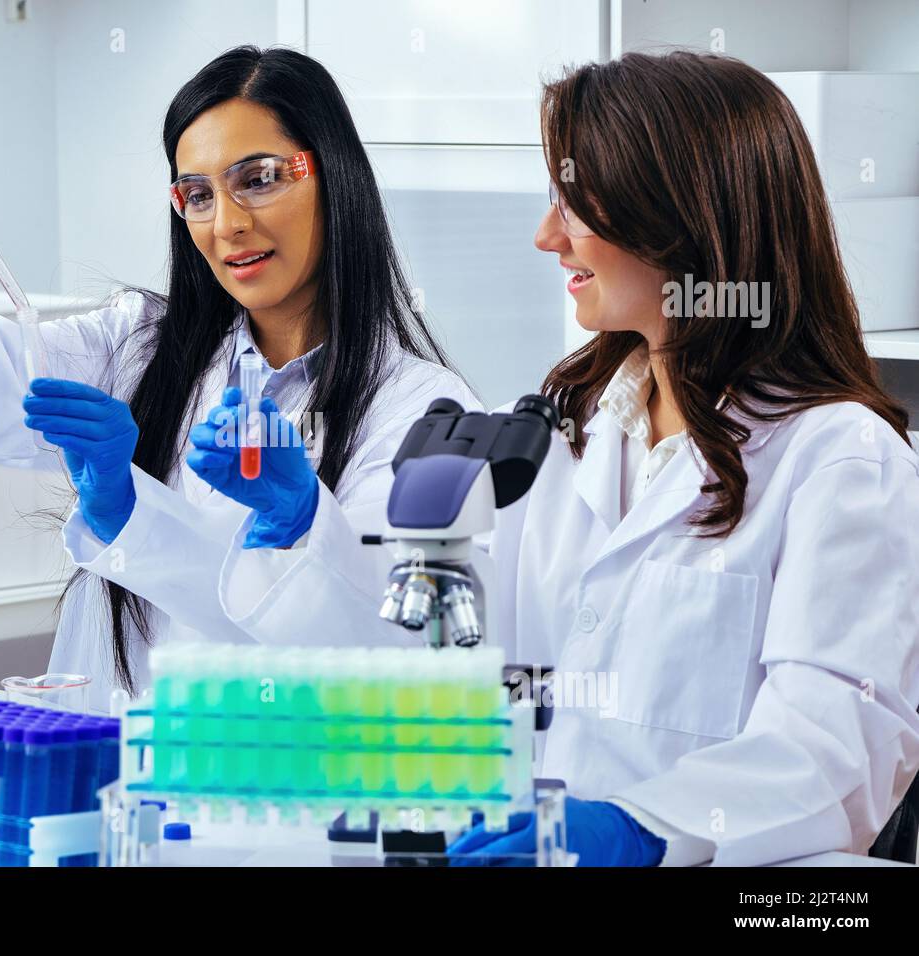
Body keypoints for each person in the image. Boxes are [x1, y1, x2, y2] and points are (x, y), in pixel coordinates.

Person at [218, 51, 919, 867]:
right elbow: (453, 671)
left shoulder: (839, 458)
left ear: (682, 216)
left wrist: (642, 827)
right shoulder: (566, 431)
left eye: (573, 203)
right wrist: (304, 525)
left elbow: (838, 743)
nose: (546, 235)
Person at [0, 46, 476, 713]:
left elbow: (397, 656)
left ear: (333, 175)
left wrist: (305, 525)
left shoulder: (424, 414)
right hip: (99, 787)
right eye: (198, 195)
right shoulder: (137, 348)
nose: (228, 223)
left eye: (259, 178)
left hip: (280, 804)